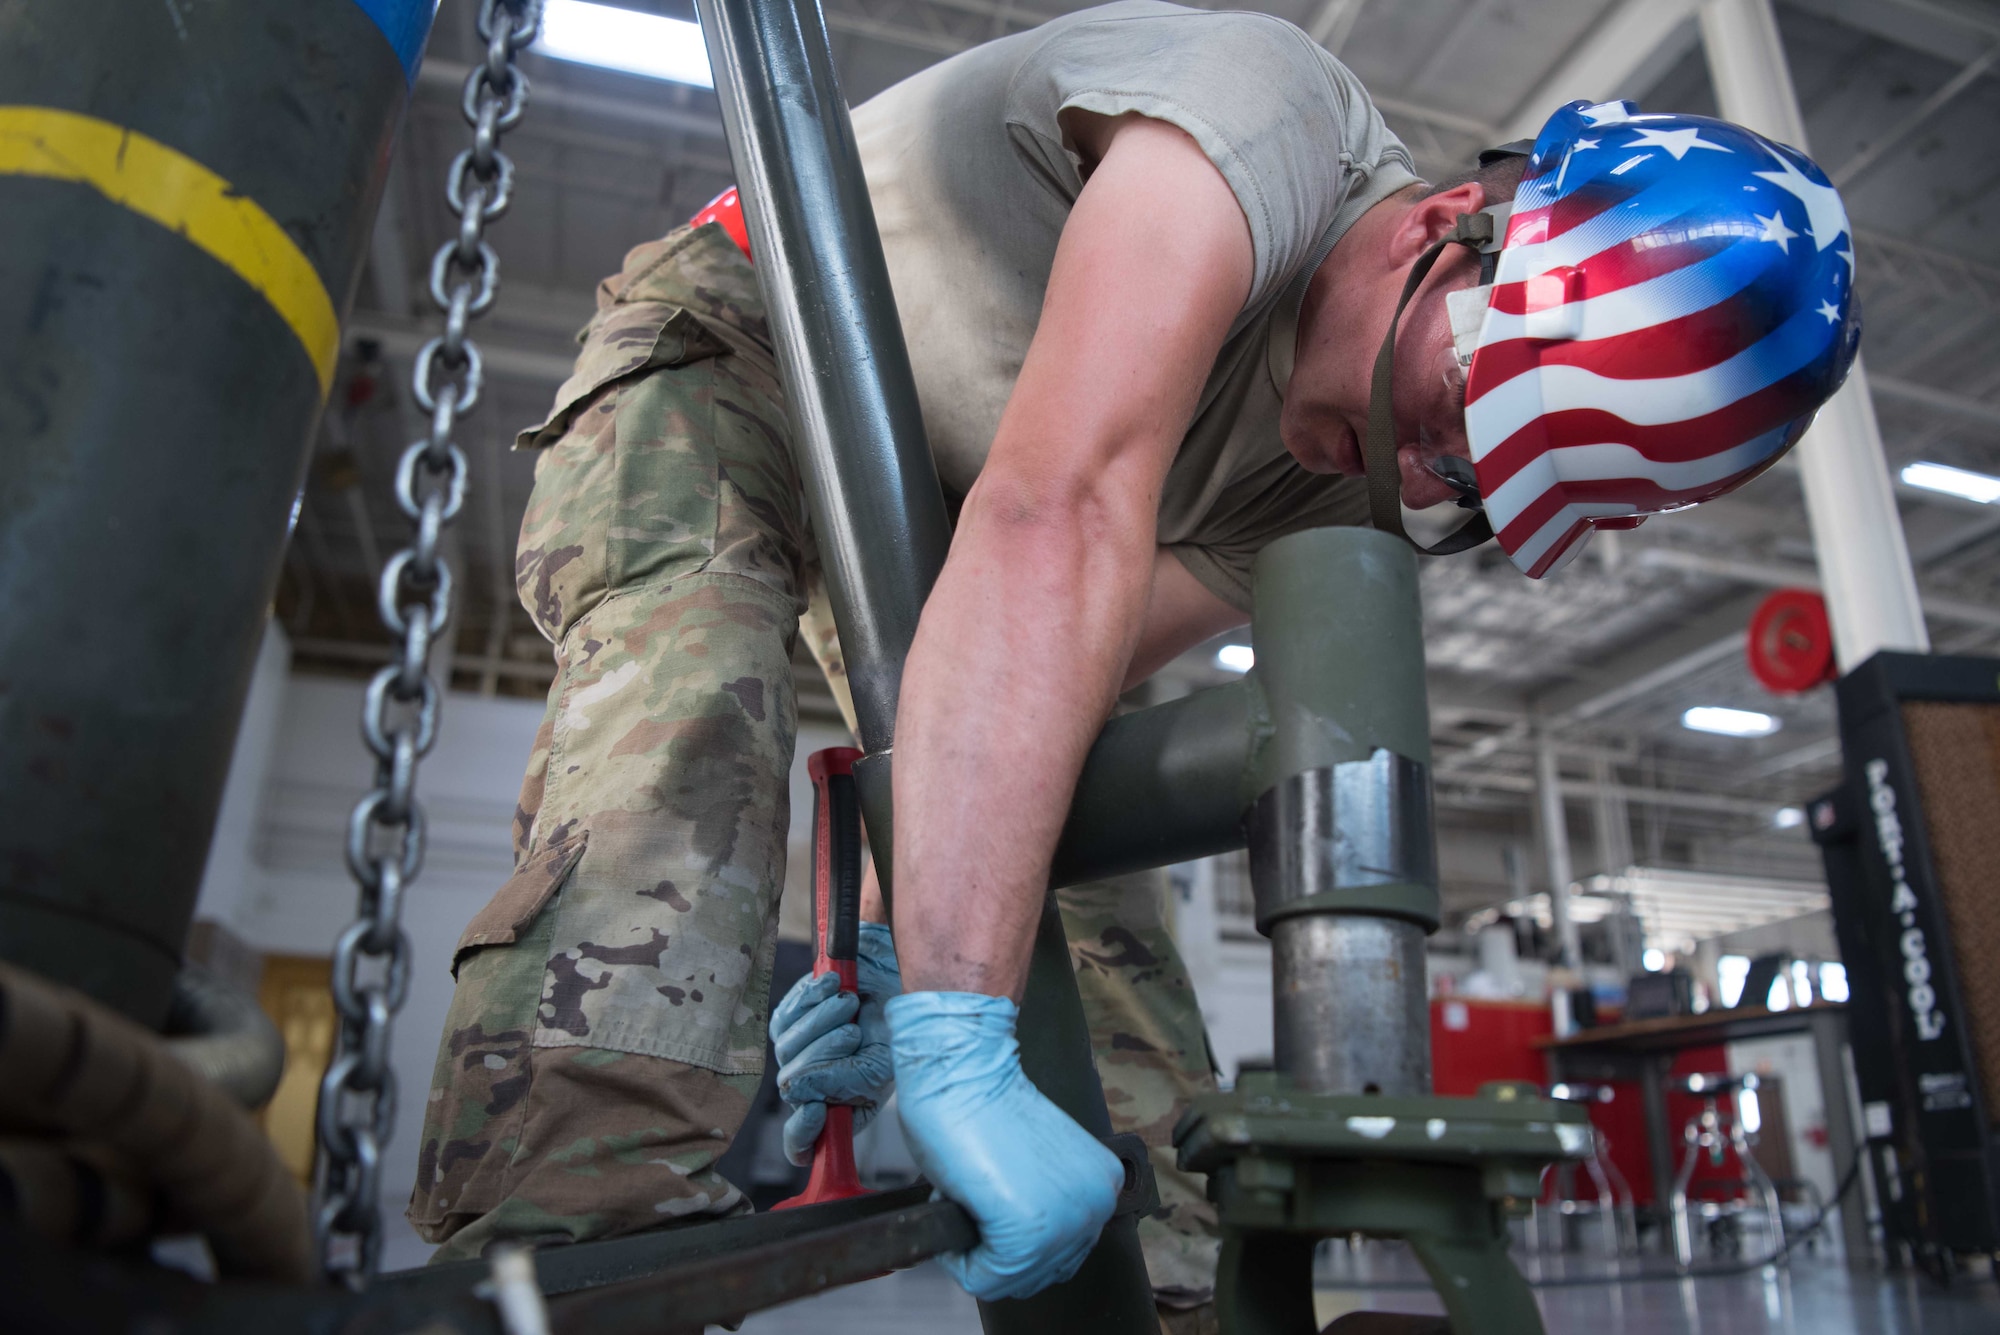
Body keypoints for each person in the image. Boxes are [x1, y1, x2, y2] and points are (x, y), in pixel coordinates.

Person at [410, 2, 1859, 1326]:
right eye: (1456, 413)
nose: (1426, 477)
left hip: (955, 513)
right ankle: (560, 1248)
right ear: (1455, 226)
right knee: (689, 720)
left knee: (1088, 856)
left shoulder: (1372, 479)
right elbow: (1065, 505)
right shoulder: (1257, 120)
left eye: (1480, 485)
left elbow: (1072, 684)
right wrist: (960, 1033)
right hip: (750, 332)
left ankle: (1168, 1296)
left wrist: (883, 928)